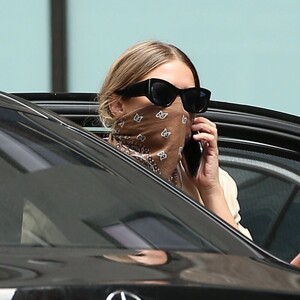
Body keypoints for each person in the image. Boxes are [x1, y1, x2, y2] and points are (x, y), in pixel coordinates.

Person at [97, 40, 251, 239]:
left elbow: (243, 267)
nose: (178, 108)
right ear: (117, 106)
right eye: (161, 93)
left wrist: (210, 190)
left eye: (191, 98)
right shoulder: (88, 172)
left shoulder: (218, 183)